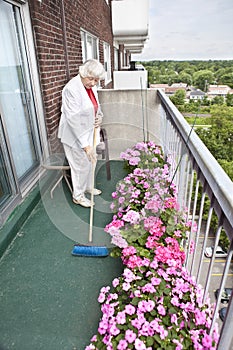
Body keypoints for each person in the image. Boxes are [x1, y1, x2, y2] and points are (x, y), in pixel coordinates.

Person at [58, 59, 106, 207]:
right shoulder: (71, 89)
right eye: (91, 79)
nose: (93, 83)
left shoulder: (91, 86)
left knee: (92, 161)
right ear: (82, 73)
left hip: (90, 131)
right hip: (75, 136)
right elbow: (73, 120)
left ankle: (88, 187)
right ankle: (78, 195)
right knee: (80, 166)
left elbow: (95, 106)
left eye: (96, 80)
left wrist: (99, 117)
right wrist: (85, 146)